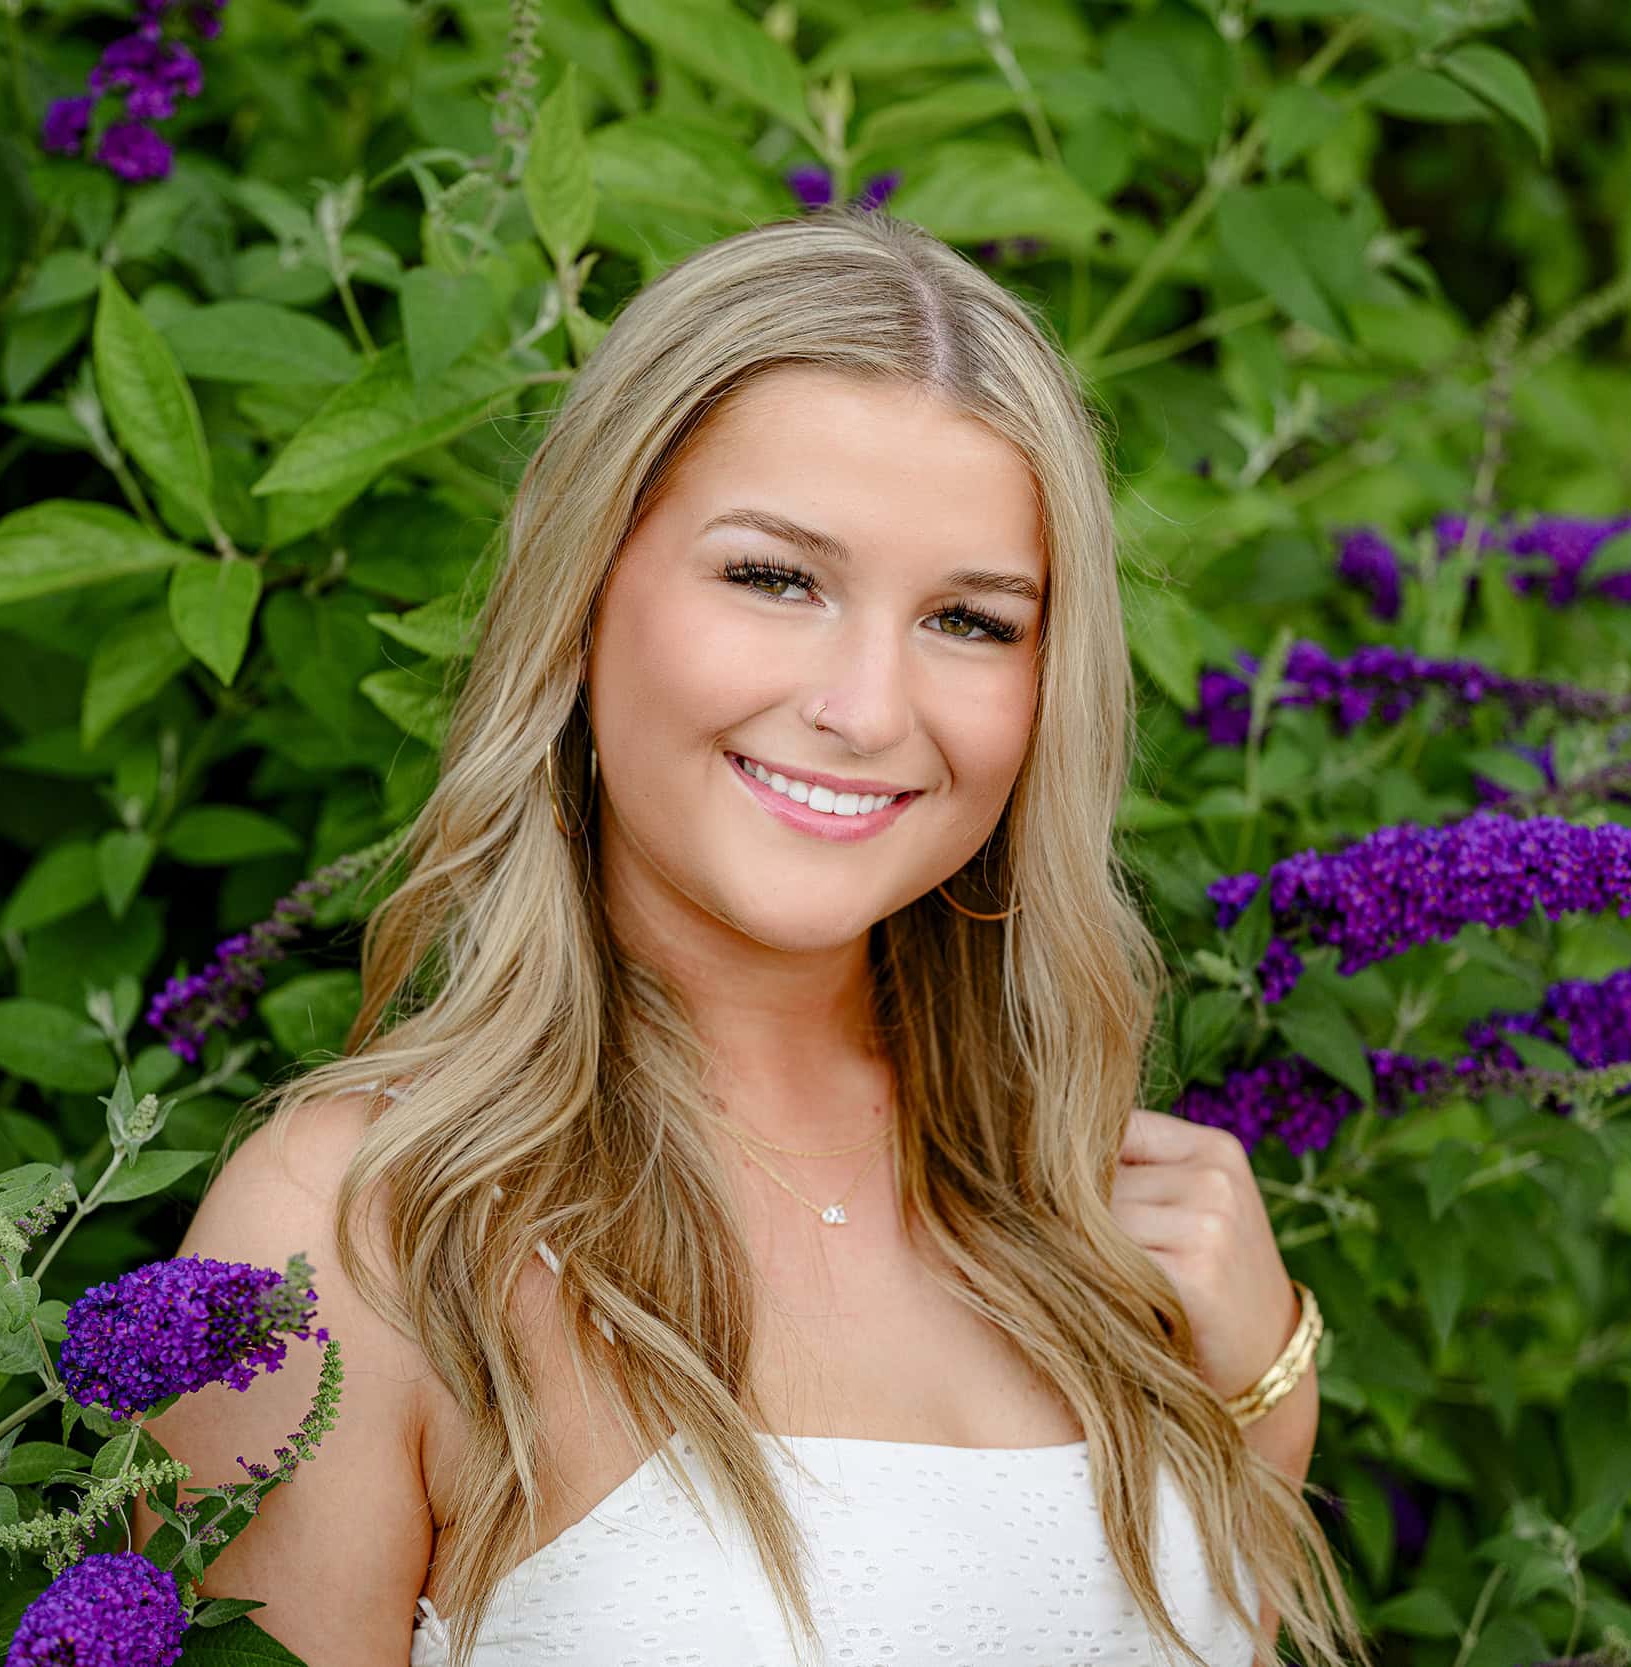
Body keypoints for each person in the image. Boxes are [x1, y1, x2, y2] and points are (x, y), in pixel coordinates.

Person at [131, 208, 1367, 1667]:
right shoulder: (361, 1232)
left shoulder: (1099, 1211)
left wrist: (1264, 1395)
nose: (864, 708)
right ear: (586, 584)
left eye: (970, 619)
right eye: (776, 578)